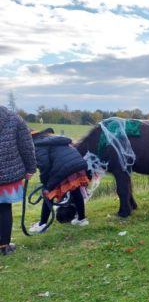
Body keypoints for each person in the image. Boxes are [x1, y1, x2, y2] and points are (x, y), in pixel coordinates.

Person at [29, 129, 90, 232]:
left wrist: (45, 184)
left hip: (64, 168)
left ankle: (42, 225)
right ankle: (81, 219)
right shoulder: (52, 139)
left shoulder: (37, 145)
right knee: (75, 191)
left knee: (48, 194)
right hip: (78, 165)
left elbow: (44, 165)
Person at [0, 105, 36, 255]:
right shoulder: (13, 118)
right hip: (7, 173)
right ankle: (4, 247)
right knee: (3, 209)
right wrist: (30, 168)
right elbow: (26, 146)